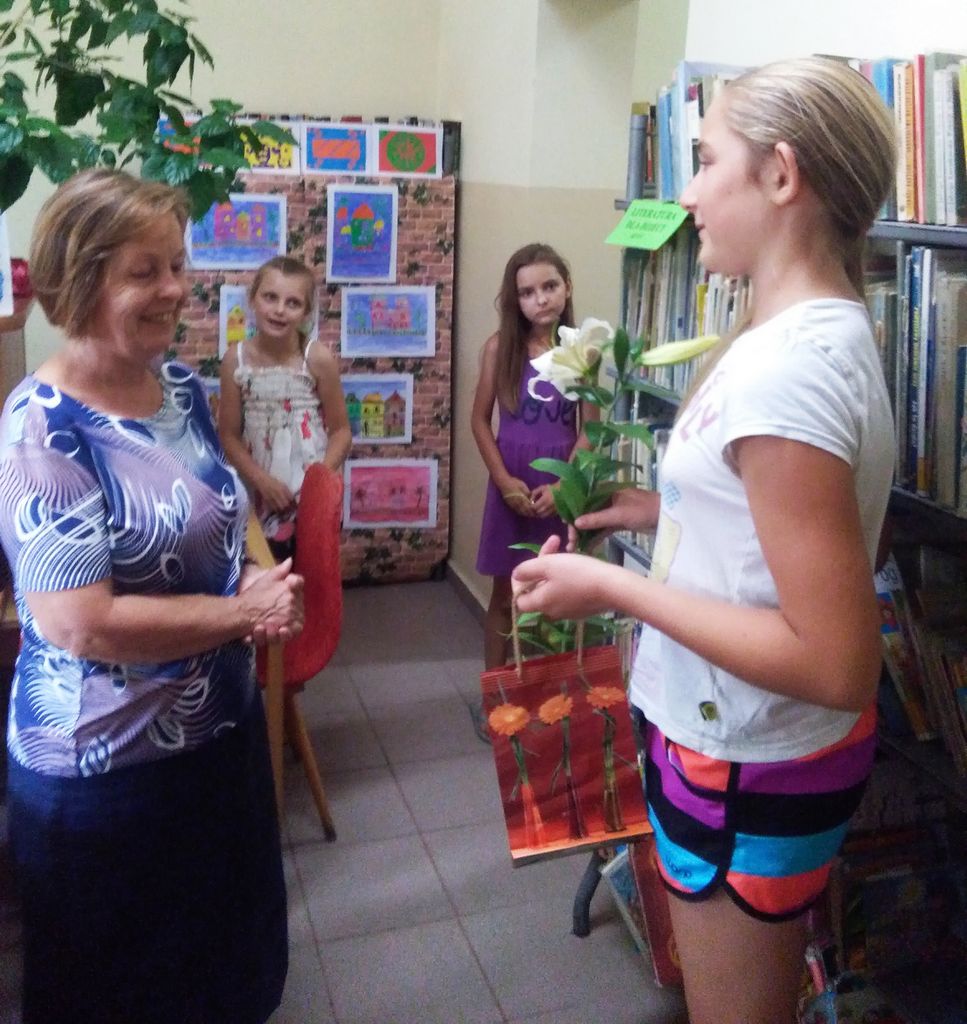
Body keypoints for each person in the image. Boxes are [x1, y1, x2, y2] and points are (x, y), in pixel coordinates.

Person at [512, 58, 896, 1024]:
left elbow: (834, 660)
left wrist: (613, 589)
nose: (685, 194)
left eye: (707, 160)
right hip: (750, 744)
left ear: (780, 175)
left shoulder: (785, 371)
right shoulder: (812, 334)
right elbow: (799, 530)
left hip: (747, 755)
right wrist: (659, 510)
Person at [0, 168, 304, 1024]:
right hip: (109, 770)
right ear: (78, 280)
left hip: (218, 735)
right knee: (118, 992)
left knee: (227, 970)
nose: (176, 288)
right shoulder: (41, 428)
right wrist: (243, 613)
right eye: (145, 271)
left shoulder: (176, 386)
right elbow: (81, 624)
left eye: (177, 264)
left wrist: (247, 577)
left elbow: (209, 524)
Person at [471, 243, 597, 673]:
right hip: (512, 483)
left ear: (568, 287)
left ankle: (550, 692)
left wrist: (564, 485)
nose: (540, 299)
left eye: (549, 286)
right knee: (504, 594)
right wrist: (504, 481)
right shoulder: (498, 349)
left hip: (560, 483)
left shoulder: (584, 351)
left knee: (557, 592)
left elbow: (591, 430)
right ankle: (495, 690)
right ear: (515, 300)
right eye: (527, 292)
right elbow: (478, 421)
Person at [218, 256, 351, 559]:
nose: (279, 309)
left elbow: (341, 431)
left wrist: (317, 484)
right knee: (265, 572)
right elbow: (228, 435)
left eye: (293, 303)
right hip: (259, 488)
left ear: (306, 312)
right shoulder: (235, 361)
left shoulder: (317, 359)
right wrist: (262, 481)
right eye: (270, 297)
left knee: (312, 573)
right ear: (253, 300)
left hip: (313, 490)